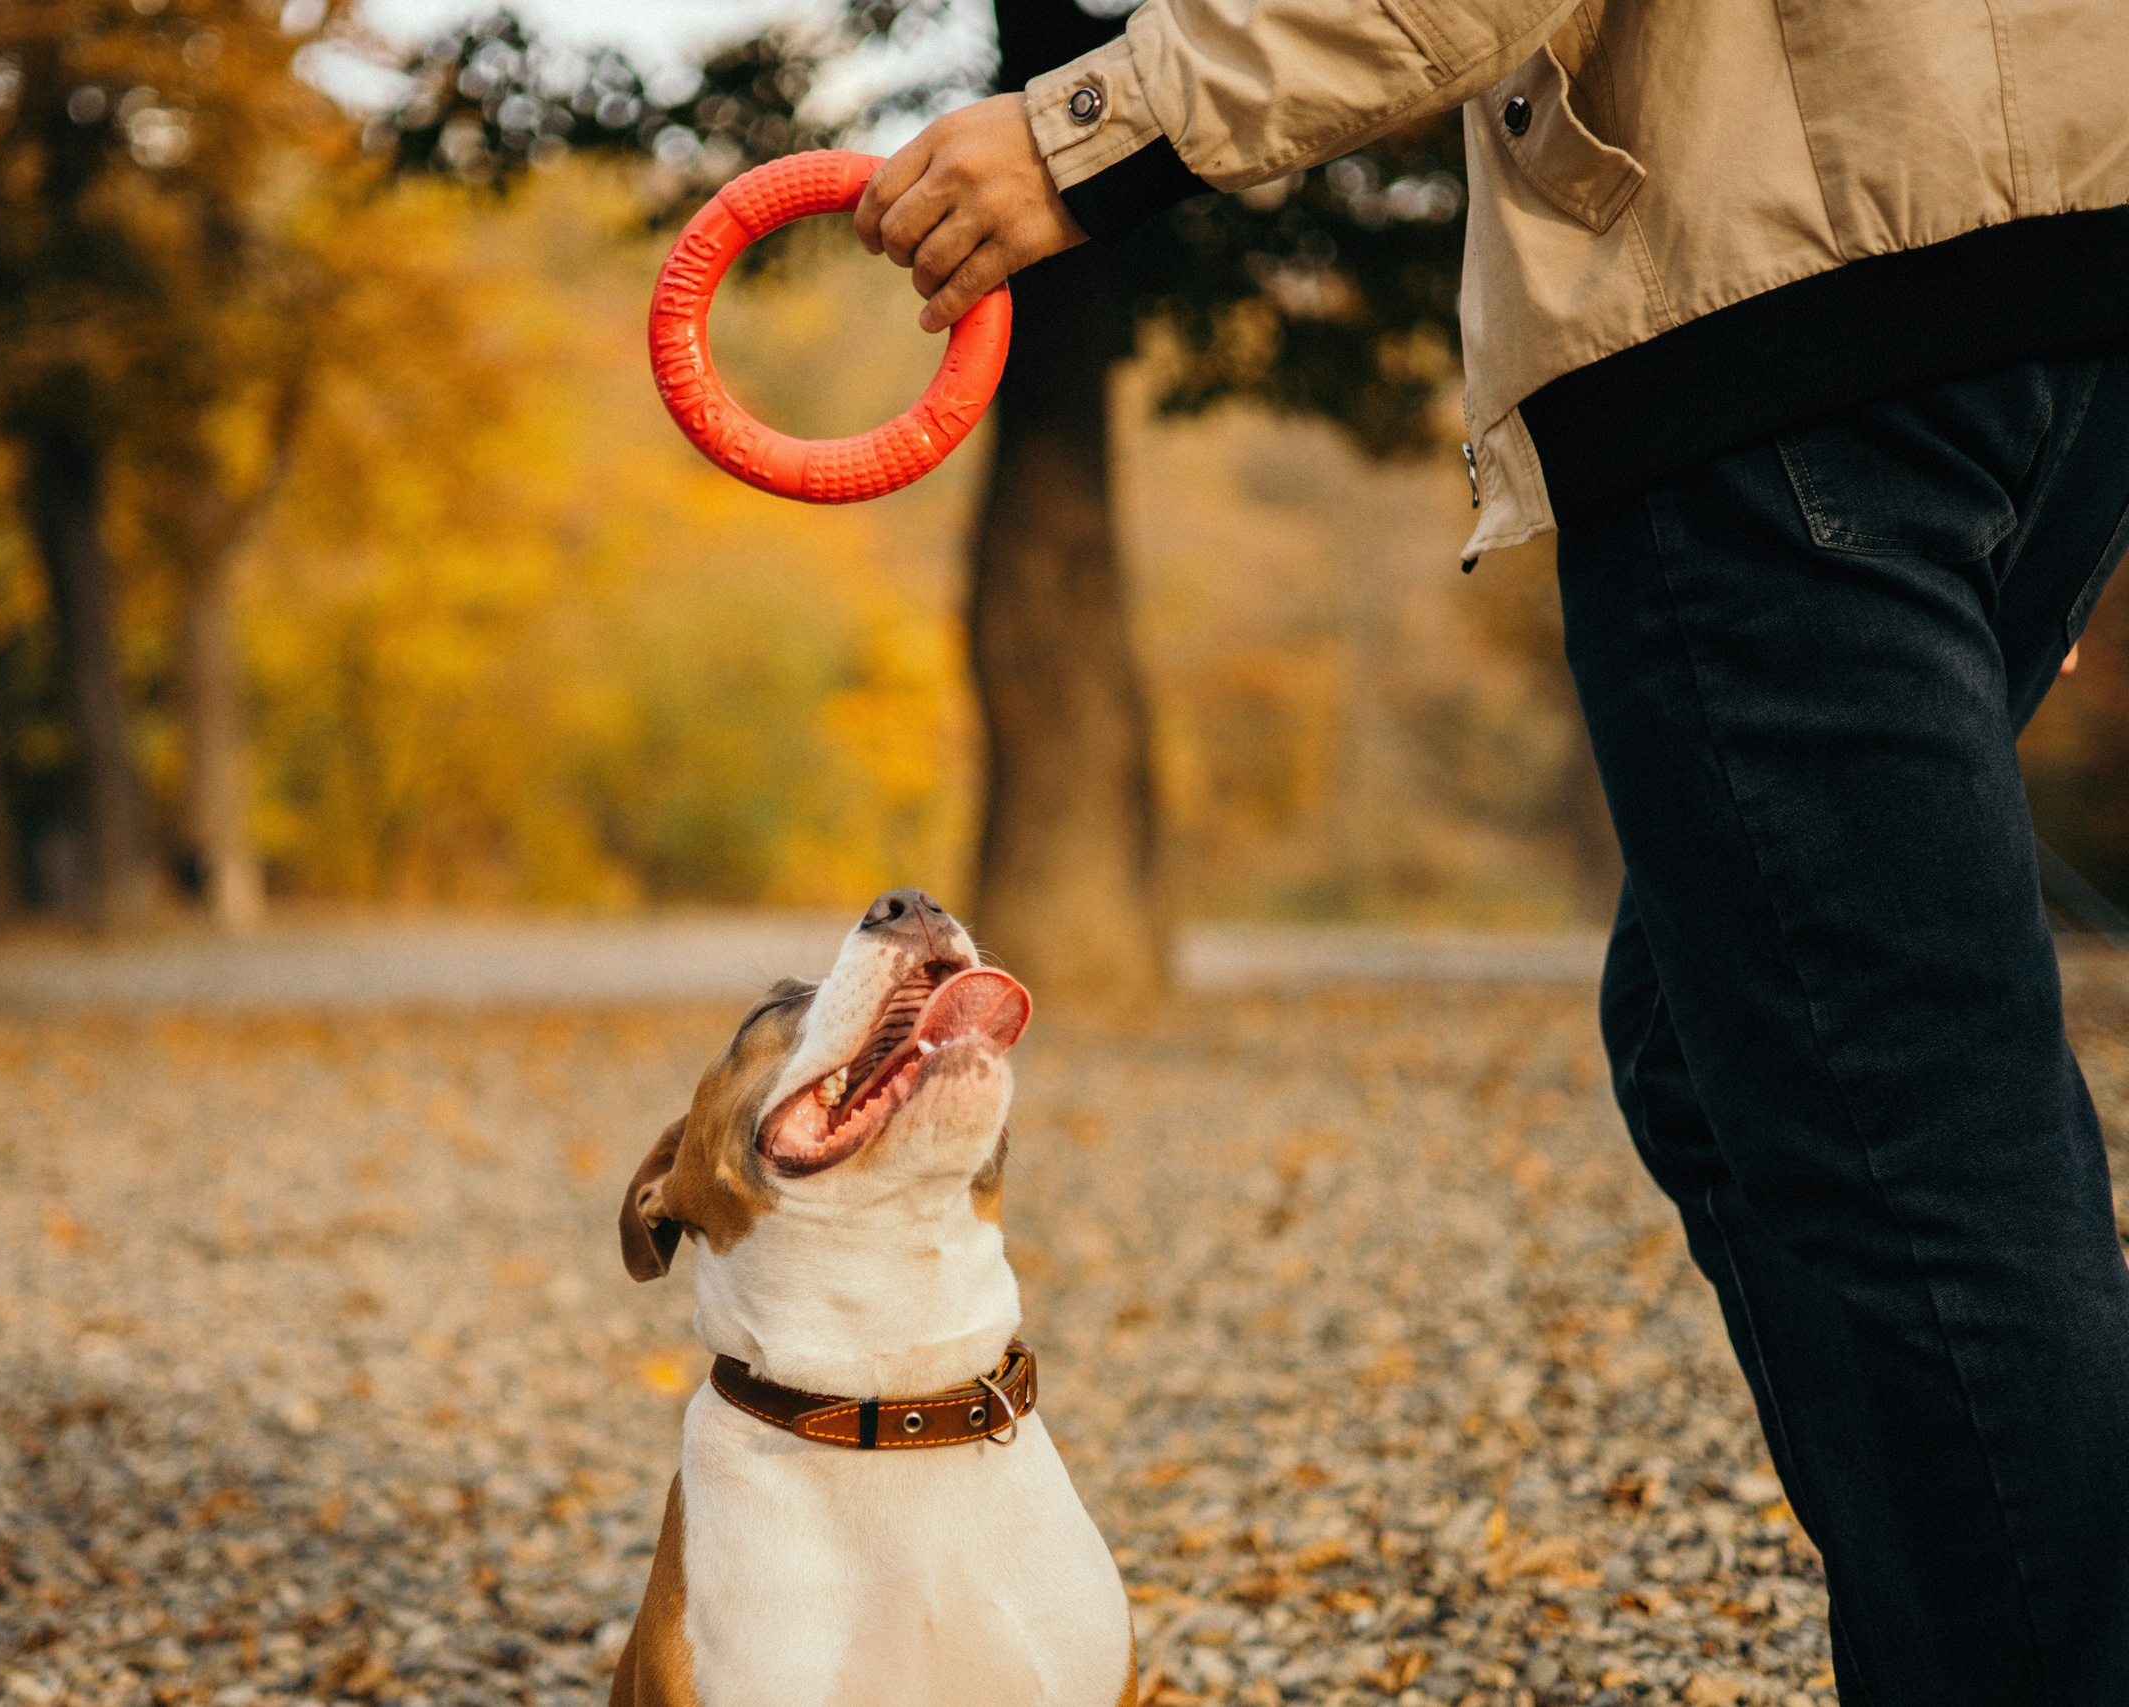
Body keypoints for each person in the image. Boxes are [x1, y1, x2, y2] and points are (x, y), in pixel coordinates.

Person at [853, 4, 2129, 1702]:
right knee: (1713, 1044)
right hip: (2060, 283)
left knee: (1912, 1151)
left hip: (1793, 310)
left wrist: (1095, 125)